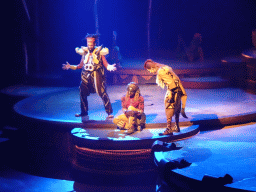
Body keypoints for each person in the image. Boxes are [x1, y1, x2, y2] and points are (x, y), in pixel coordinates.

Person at [62, 33, 116, 122]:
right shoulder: (84, 53)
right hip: (85, 74)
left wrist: (110, 67)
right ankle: (84, 112)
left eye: (91, 44)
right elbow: (80, 65)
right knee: (82, 92)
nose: (90, 45)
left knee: (102, 92)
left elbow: (105, 64)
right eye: (88, 43)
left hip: (96, 74)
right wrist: (70, 66)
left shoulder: (99, 52)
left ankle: (109, 112)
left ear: (95, 43)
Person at [144, 59, 188, 135]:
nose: (151, 73)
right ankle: (176, 126)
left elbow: (171, 82)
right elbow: (176, 78)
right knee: (176, 108)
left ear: (151, 68)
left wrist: (171, 93)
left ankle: (169, 129)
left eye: (149, 71)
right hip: (178, 89)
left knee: (169, 108)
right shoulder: (165, 66)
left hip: (173, 90)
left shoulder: (160, 71)